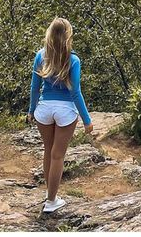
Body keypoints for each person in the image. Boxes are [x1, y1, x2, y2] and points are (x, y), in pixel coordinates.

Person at [27, 17, 93, 215]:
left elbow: (34, 88)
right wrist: (87, 120)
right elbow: (75, 92)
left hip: (44, 110)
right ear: (68, 36)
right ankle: (51, 201)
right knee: (58, 156)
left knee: (48, 151)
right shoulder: (73, 59)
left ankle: (50, 194)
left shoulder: (40, 55)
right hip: (65, 111)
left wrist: (31, 110)